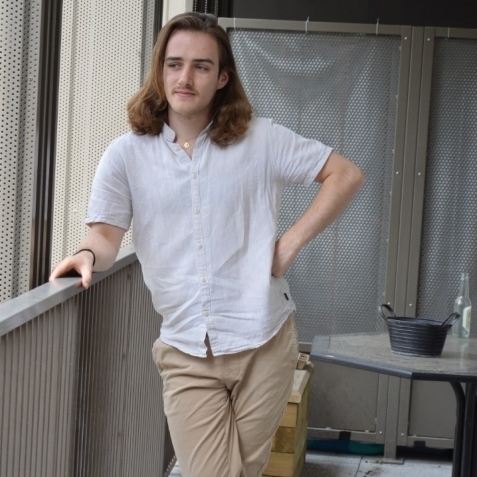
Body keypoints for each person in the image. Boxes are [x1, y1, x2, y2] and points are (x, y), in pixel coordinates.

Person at [50, 11, 364, 477]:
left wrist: (290, 244)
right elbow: (105, 234)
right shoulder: (126, 155)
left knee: (242, 469)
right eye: (174, 64)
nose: (185, 77)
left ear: (221, 78)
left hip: (264, 341)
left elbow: (345, 174)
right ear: (160, 71)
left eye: (201, 66)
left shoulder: (262, 139)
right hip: (185, 351)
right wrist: (86, 255)